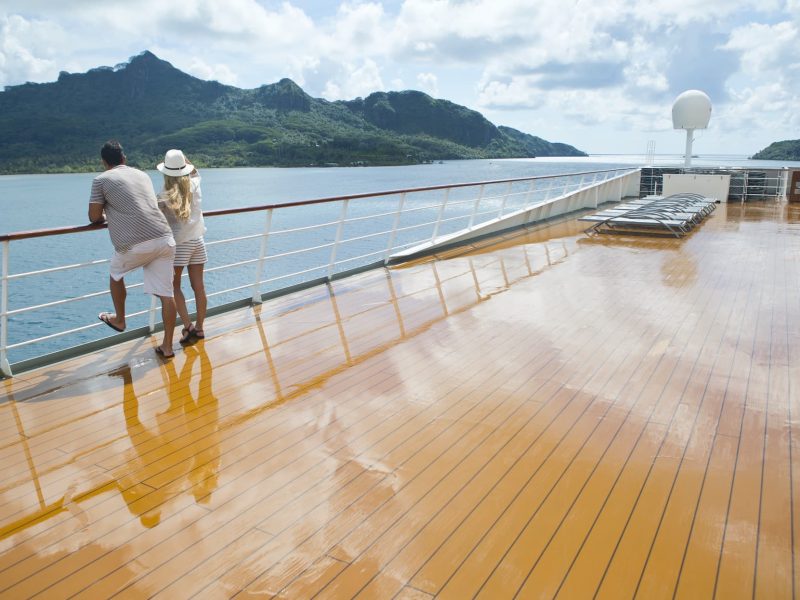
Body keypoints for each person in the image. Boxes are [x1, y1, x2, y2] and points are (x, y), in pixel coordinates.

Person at [89, 140, 177, 358]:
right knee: (167, 294)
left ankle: (119, 319)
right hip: (165, 238)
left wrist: (105, 215)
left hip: (135, 244)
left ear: (103, 162)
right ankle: (167, 347)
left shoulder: (101, 180)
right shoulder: (142, 174)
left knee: (115, 274)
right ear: (124, 159)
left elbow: (93, 217)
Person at [156, 149, 208, 344]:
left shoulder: (163, 196)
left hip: (179, 245)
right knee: (199, 287)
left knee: (174, 287)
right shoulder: (195, 184)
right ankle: (200, 328)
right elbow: (194, 171)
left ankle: (188, 327)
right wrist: (182, 157)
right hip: (198, 241)